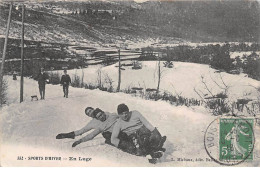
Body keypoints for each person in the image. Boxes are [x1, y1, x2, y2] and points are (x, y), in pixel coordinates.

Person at [56, 107, 136, 154]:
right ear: (88, 116)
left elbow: (116, 117)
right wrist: (67, 135)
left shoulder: (105, 113)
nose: (90, 113)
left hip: (120, 130)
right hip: (109, 134)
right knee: (107, 135)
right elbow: (82, 131)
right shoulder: (93, 123)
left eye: (90, 110)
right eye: (88, 113)